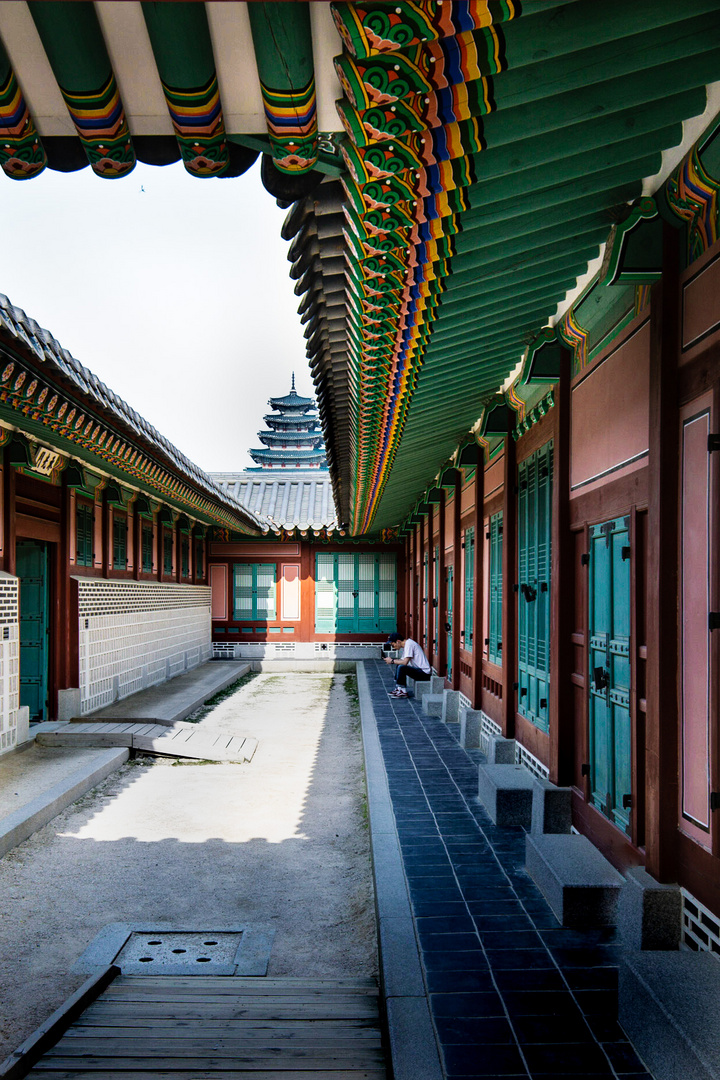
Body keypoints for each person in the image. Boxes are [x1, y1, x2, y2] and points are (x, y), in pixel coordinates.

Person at [384, 633, 432, 698]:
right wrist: (393, 661)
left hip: (424, 673)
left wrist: (392, 661)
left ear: (398, 641)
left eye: (393, 645)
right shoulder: (407, 645)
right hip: (419, 670)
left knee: (402, 667)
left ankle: (403, 691)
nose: (393, 647)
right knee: (399, 665)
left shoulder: (409, 644)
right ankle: (399, 688)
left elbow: (405, 662)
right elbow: (401, 661)